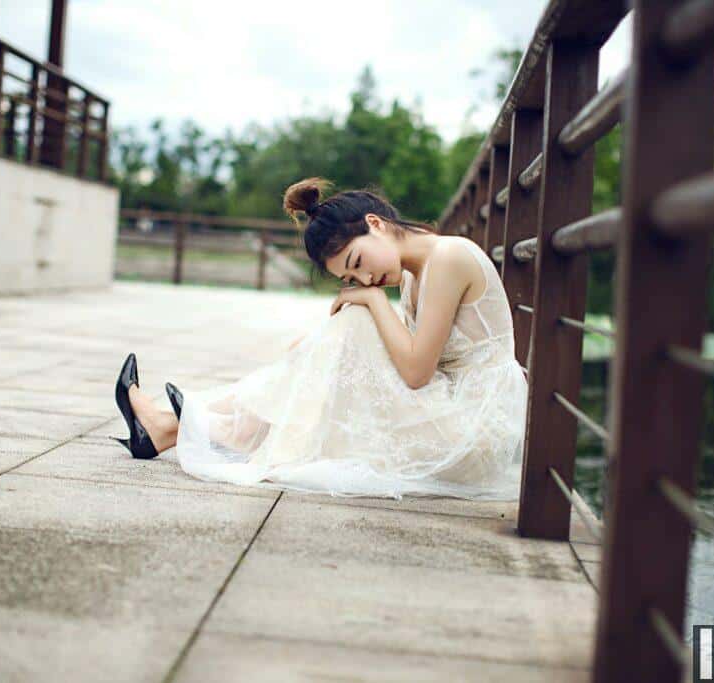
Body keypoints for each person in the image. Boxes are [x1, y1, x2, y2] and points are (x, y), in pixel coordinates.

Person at [110, 177, 529, 500]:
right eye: (352, 277)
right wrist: (320, 345)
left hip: (473, 434)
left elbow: (418, 372)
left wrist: (371, 301)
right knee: (327, 343)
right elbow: (415, 366)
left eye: (358, 262)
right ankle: (170, 427)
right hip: (452, 415)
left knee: (353, 325)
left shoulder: (449, 257)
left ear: (375, 224)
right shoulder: (417, 273)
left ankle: (192, 426)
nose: (365, 278)